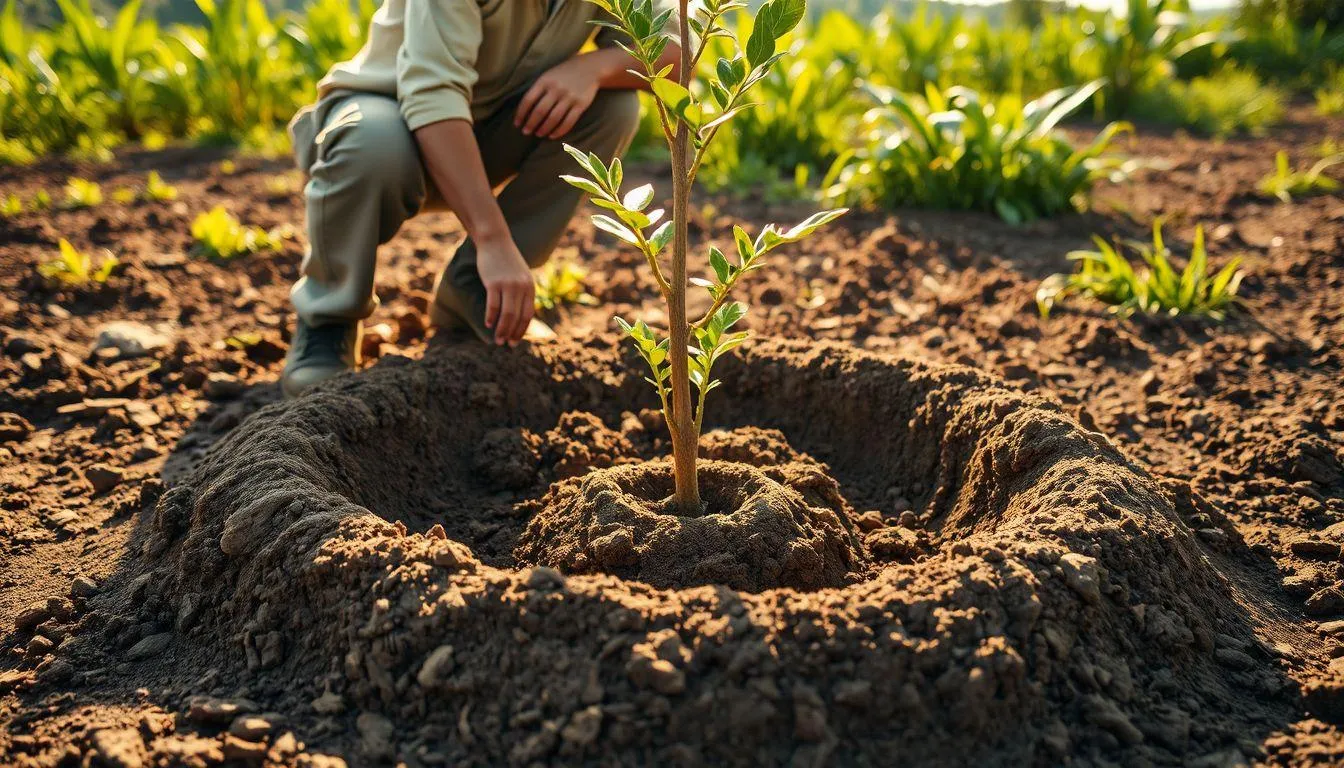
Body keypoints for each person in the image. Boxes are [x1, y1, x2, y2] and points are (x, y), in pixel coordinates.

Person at [281, 0, 682, 397]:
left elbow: (678, 56)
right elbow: (430, 96)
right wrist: (493, 239)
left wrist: (593, 68)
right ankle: (328, 317)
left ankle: (475, 290)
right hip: (387, 119)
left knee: (612, 107)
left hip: (488, 130)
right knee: (373, 143)